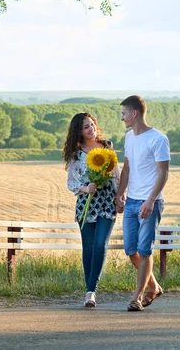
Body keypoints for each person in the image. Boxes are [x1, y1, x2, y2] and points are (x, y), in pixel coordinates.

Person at [115, 95, 170, 312]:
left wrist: (151, 200)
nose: (122, 118)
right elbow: (126, 169)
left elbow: (163, 174)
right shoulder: (129, 137)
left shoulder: (158, 139)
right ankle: (154, 286)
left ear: (134, 114)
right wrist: (120, 195)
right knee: (131, 249)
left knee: (145, 250)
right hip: (132, 202)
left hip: (150, 202)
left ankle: (137, 297)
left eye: (124, 114)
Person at [63, 112, 120, 308]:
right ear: (78, 131)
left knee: (100, 244)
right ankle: (89, 291)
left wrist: (120, 196)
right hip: (86, 204)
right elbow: (71, 181)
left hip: (106, 203)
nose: (91, 128)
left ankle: (91, 291)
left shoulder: (107, 147)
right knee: (88, 248)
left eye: (92, 124)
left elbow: (116, 173)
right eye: (86, 126)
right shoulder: (76, 154)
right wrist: (85, 188)